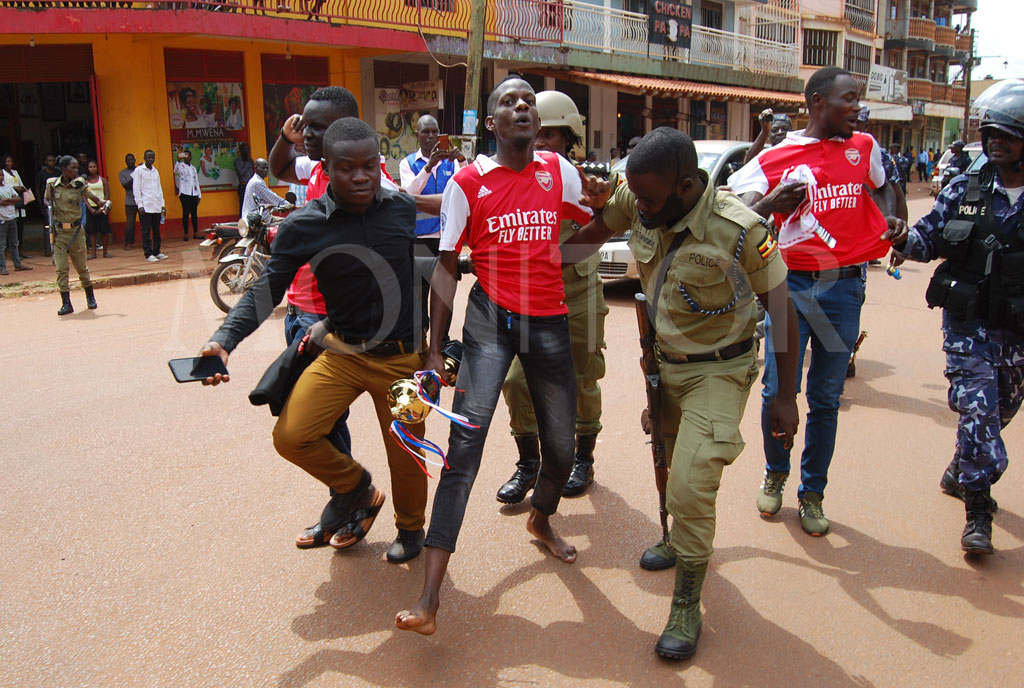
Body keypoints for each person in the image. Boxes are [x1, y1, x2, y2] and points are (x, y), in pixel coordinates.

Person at [562, 126, 799, 659]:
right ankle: (674, 538)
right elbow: (595, 232)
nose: (638, 208)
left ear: (687, 187)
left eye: (649, 199)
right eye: (636, 196)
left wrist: (787, 396)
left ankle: (687, 600)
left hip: (720, 368)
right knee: (667, 460)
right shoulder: (639, 195)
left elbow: (783, 309)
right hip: (662, 363)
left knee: (693, 479)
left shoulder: (738, 230)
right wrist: (529, 264)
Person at [394, 76, 609, 637]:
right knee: (464, 450)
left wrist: (601, 218)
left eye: (528, 103)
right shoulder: (468, 182)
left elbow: (584, 236)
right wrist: (436, 349)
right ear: (491, 123)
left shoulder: (557, 172)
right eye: (508, 102)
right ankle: (430, 597)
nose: (521, 108)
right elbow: (445, 266)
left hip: (549, 322)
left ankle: (541, 517)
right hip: (489, 321)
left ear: (537, 123)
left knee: (561, 450)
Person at [199, 116, 431, 564]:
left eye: (370, 165)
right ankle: (356, 487)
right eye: (348, 168)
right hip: (341, 352)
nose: (362, 176)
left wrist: (435, 349)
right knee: (292, 435)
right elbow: (264, 291)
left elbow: (430, 268)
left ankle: (411, 528)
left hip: (401, 358)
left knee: (407, 451)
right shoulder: (304, 226)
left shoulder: (402, 208)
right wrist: (223, 341)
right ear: (326, 165)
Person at [728, 66, 908, 536]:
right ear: (816, 103)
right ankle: (776, 472)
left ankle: (812, 493)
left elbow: (884, 184)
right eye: (849, 99)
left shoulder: (864, 147)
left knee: (826, 398)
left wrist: (890, 216)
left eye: (859, 98)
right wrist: (773, 204)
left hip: (845, 288)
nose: (857, 107)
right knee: (776, 391)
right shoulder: (781, 155)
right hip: (790, 285)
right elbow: (738, 206)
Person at [892, 79, 1024, 556]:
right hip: (969, 327)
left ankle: (959, 466)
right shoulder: (966, 185)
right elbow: (928, 239)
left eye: (1009, 134)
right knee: (978, 409)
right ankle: (978, 510)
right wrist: (902, 238)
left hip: (1017, 331)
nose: (996, 141)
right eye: (991, 132)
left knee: (1002, 408)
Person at [267, 86, 399, 555]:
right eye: (303, 124)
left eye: (315, 128)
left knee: (322, 421)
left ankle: (353, 498)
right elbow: (278, 166)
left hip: (336, 319)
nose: (305, 135)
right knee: (316, 421)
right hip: (300, 307)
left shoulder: (372, 181)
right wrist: (286, 137)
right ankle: (351, 495)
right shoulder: (316, 165)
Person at [497, 90, 608, 503]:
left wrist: (557, 255)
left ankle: (584, 459)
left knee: (582, 376)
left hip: (576, 290)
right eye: (537, 134)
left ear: (568, 138)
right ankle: (528, 462)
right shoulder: (507, 176)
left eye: (552, 136)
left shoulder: (575, 178)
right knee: (515, 380)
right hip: (528, 297)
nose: (541, 143)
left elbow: (600, 225)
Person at [44, 155, 111, 315]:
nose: (76, 170)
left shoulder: (80, 184)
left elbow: (95, 199)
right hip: (59, 232)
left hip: (76, 232)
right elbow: (46, 201)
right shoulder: (52, 185)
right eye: (72, 168)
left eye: (76, 168)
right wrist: (52, 208)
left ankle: (90, 297)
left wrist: (104, 204)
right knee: (61, 269)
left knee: (81, 267)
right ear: (64, 169)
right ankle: (66, 303)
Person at [398, 114, 463, 255]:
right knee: (421, 276)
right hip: (420, 235)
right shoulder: (407, 163)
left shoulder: (451, 162)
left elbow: (464, 189)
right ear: (417, 135)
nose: (431, 136)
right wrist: (428, 168)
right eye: (426, 132)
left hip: (447, 235)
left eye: (435, 132)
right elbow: (408, 194)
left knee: (448, 276)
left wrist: (462, 160)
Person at [132, 150, 167, 263]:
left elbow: (159, 189)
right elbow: (136, 189)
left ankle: (157, 251)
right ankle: (148, 253)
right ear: (144, 158)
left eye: (153, 157)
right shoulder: (139, 171)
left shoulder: (155, 171)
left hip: (156, 205)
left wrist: (162, 204)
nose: (151, 159)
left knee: (156, 230)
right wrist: (140, 205)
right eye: (148, 157)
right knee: (146, 231)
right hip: (146, 206)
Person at [0, 180, 32, 275]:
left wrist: (5, 201)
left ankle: (17, 265)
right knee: (2, 245)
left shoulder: (8, 187)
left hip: (12, 217)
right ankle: (2, 267)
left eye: (1, 175)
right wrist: (10, 200)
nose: (0, 177)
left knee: (14, 243)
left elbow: (18, 199)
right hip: (1, 219)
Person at [84, 160, 112, 259]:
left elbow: (107, 194)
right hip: (91, 207)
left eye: (94, 167)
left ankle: (105, 252)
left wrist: (103, 206)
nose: (93, 169)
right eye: (90, 167)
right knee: (92, 231)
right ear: (87, 169)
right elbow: (84, 197)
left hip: (102, 207)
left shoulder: (103, 180)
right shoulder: (85, 182)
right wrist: (90, 208)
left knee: (104, 231)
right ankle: (93, 253)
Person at [2, 155, 28, 258]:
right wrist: (14, 188)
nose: (9, 163)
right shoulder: (2, 173)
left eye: (11, 161)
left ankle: (20, 250)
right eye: (7, 161)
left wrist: (21, 188)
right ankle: (10, 253)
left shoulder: (15, 172)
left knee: (20, 227)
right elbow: (3, 187)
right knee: (9, 230)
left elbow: (21, 184)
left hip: (19, 201)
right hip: (9, 203)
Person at [174, 149, 202, 240]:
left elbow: (196, 181)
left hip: (193, 193)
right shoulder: (181, 166)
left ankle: (196, 233)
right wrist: (178, 160)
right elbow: (175, 170)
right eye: (185, 155)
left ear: (191, 157)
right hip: (184, 192)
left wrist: (199, 194)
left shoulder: (193, 168)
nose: (187, 157)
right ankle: (186, 234)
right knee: (186, 213)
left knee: (194, 213)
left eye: (189, 155)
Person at [34, 154, 58, 257]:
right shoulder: (41, 174)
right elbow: (37, 189)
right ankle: (48, 248)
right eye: (49, 161)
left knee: (59, 226)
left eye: (53, 160)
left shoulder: (58, 173)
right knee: (48, 226)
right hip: (47, 203)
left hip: (58, 203)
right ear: (45, 162)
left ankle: (60, 247)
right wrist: (41, 204)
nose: (52, 162)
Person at [119, 154, 138, 251]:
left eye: (131, 159)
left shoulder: (140, 170)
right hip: (130, 201)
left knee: (145, 222)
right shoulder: (122, 173)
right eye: (127, 160)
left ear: (135, 160)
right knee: (130, 223)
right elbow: (126, 185)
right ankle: (128, 242)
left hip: (142, 200)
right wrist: (135, 175)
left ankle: (146, 241)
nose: (129, 161)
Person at [234, 143, 254, 212]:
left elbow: (252, 173)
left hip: (251, 186)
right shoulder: (237, 161)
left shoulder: (250, 160)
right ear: (241, 151)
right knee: (243, 205)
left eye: (248, 150)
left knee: (252, 205)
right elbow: (241, 172)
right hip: (243, 186)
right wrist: (247, 163)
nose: (248, 151)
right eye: (246, 150)